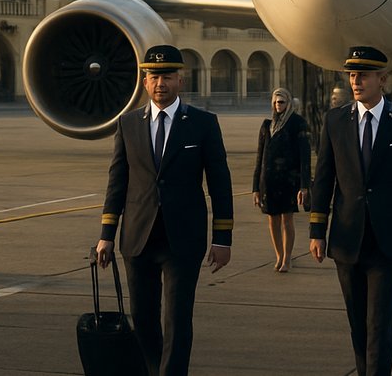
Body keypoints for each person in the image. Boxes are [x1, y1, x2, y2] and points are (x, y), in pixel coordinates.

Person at [95, 45, 234, 376]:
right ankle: (155, 369)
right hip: (138, 238)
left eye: (168, 77)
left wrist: (223, 238)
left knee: (177, 319)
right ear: (145, 81)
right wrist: (106, 235)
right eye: (155, 77)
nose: (161, 84)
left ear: (181, 81)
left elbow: (220, 183)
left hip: (182, 239)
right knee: (142, 318)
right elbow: (117, 182)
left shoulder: (202, 124)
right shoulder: (128, 125)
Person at [309, 46, 392, 376]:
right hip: (347, 239)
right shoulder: (335, 121)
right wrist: (316, 232)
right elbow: (323, 179)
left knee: (379, 324)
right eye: (352, 75)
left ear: (382, 79)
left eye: (363, 75)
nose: (356, 81)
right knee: (358, 325)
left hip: (389, 241)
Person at [252, 87, 310, 272]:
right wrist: (256, 187)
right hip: (268, 181)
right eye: (276, 102)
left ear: (289, 103)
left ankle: (287, 257)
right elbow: (260, 158)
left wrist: (304, 186)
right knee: (272, 220)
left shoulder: (297, 123)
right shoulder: (267, 125)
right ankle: (278, 255)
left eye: (282, 102)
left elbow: (304, 157)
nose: (279, 105)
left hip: (288, 181)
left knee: (287, 220)